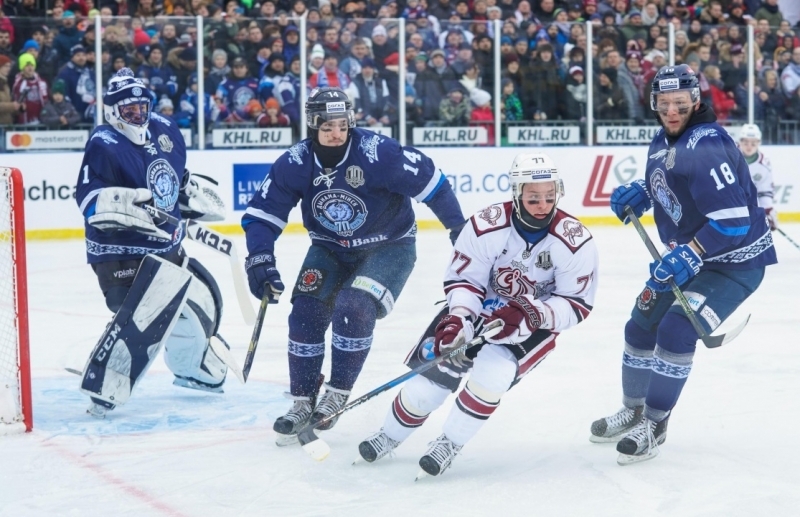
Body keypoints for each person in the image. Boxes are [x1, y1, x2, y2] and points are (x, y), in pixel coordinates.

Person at [242, 87, 467, 445]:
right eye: (327, 126)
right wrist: (259, 259)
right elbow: (261, 216)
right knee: (304, 313)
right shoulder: (295, 162)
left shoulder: (379, 153)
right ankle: (302, 401)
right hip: (330, 249)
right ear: (313, 125)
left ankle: (336, 393)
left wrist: (458, 229)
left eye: (342, 124)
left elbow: (434, 184)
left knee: (354, 306)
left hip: (389, 248)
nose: (336, 132)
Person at [356, 152, 599, 477]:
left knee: (492, 376)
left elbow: (576, 304)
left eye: (549, 196)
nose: (542, 205)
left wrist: (531, 313)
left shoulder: (574, 241)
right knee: (433, 379)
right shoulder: (487, 225)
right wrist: (458, 318)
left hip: (534, 321)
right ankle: (390, 434)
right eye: (533, 198)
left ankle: (450, 442)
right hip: (478, 307)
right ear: (517, 193)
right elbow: (465, 279)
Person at [593, 64, 778, 464]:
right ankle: (634, 410)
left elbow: (733, 222)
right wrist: (644, 191)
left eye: (680, 102)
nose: (672, 110)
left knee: (676, 329)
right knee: (639, 324)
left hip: (733, 263)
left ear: (696, 100)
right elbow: (674, 181)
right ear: (654, 104)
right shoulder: (661, 139)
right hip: (692, 254)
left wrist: (691, 253)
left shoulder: (708, 144)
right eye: (664, 103)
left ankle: (655, 424)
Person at [74, 68, 230, 419]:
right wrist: (123, 202)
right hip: (120, 253)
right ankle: (107, 382)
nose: (137, 115)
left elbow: (175, 175)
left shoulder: (165, 128)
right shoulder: (103, 143)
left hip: (167, 246)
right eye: (129, 110)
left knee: (202, 303)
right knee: (146, 312)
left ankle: (193, 369)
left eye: (142, 108)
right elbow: (87, 197)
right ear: (113, 111)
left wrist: (189, 192)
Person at [738, 124, 778, 231]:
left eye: (753, 143)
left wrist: (768, 212)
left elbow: (764, 191)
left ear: (759, 143)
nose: (749, 146)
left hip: (750, 207)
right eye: (745, 142)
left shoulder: (764, 164)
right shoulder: (729, 157)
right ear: (739, 142)